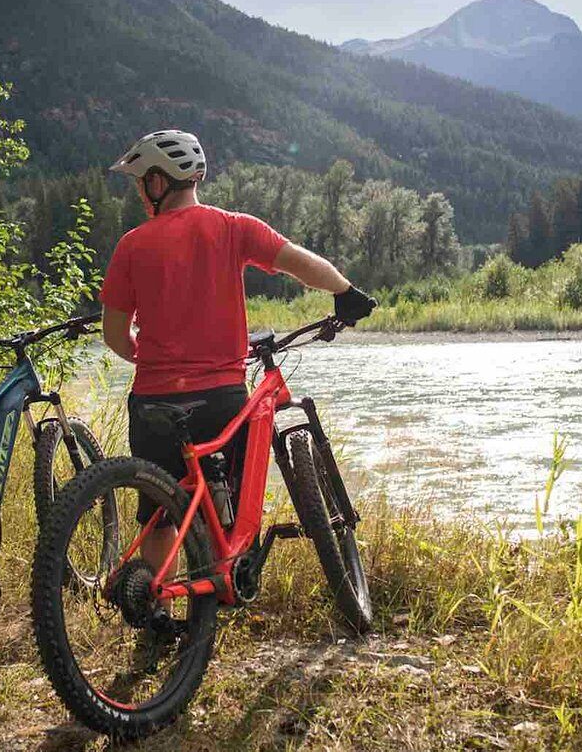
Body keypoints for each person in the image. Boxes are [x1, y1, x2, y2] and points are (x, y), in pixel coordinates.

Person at [98, 129, 376, 574]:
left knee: (157, 519)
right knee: (228, 505)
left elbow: (114, 335)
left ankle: (157, 618)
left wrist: (144, 356)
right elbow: (301, 263)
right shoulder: (233, 227)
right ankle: (222, 577)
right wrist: (345, 291)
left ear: (157, 181)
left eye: (139, 182)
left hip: (152, 405)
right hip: (219, 400)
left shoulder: (132, 244)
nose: (137, 192)